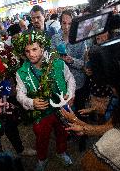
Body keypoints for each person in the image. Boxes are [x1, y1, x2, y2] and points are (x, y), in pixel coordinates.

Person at [15, 30, 76, 171]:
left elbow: (70, 78)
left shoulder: (58, 63)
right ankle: (42, 159)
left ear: (42, 48)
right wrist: (31, 103)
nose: (31, 54)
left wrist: (70, 93)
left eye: (34, 49)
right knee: (41, 138)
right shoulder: (21, 72)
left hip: (61, 107)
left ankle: (61, 152)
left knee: (63, 132)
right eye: (27, 51)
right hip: (41, 112)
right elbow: (20, 94)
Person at [51, 10, 88, 151]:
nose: (66, 27)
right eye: (64, 23)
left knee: (80, 111)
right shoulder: (55, 38)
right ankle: (71, 132)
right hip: (62, 83)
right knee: (67, 111)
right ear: (60, 23)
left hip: (78, 82)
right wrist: (56, 58)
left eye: (70, 23)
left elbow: (84, 63)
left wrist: (70, 60)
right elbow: (51, 57)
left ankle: (84, 135)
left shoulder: (80, 38)